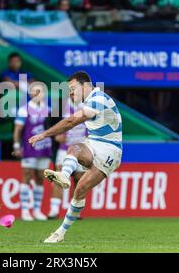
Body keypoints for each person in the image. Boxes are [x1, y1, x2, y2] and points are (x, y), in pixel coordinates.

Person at [28, 71, 123, 243]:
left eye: (72, 88)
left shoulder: (98, 99)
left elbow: (71, 121)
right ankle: (64, 176)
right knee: (74, 147)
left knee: (80, 190)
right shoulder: (88, 101)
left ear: (85, 85)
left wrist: (44, 135)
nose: (70, 93)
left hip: (110, 150)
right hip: (93, 143)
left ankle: (61, 231)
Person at [13, 82, 51, 221]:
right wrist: (17, 146)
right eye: (35, 91)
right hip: (29, 148)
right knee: (27, 176)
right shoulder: (24, 109)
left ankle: (37, 210)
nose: (37, 94)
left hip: (45, 148)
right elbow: (17, 130)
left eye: (40, 91)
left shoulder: (48, 110)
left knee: (41, 177)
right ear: (30, 93)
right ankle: (24, 210)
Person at [48, 98, 87, 219]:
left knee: (79, 179)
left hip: (81, 148)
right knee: (59, 177)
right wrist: (55, 136)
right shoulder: (60, 107)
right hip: (64, 149)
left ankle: (75, 211)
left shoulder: (87, 107)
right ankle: (54, 211)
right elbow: (48, 122)